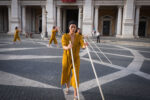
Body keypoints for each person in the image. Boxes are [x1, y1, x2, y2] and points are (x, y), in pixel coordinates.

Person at [61, 21, 87, 100]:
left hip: (76, 58)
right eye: (71, 26)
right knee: (67, 74)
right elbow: (63, 46)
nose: (73, 28)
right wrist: (67, 47)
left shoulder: (79, 36)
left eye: (74, 27)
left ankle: (75, 94)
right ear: (69, 27)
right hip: (67, 58)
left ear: (76, 28)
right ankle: (67, 87)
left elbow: (82, 44)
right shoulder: (65, 36)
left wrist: (84, 46)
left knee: (76, 75)